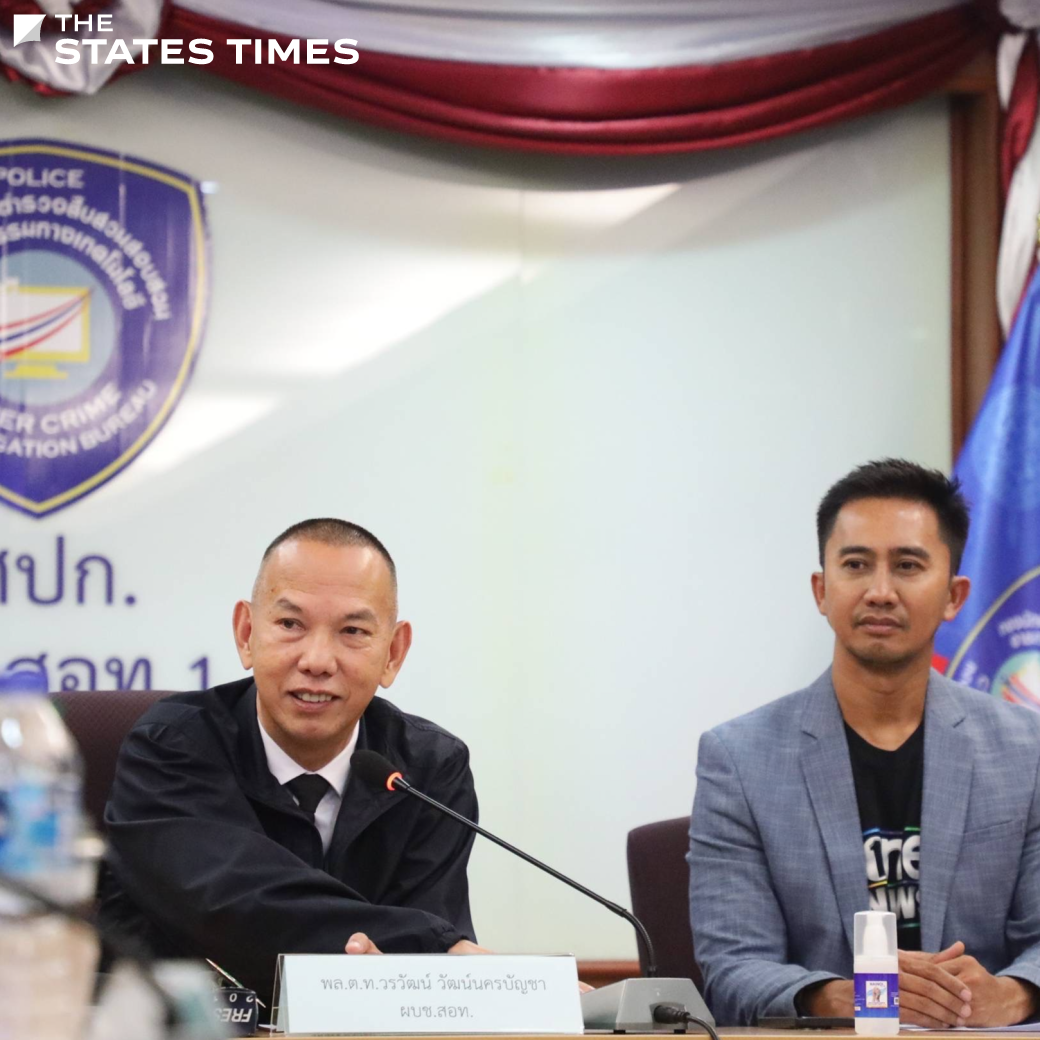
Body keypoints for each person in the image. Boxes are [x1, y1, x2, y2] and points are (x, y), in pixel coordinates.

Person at [688, 459, 1040, 1027]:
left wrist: (1011, 995)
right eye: (856, 565)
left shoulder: (1027, 751)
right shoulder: (740, 760)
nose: (880, 592)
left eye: (907, 566)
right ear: (822, 590)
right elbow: (734, 967)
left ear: (954, 596)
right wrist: (853, 995)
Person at [98, 519, 484, 1003]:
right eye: (290, 625)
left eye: (353, 631)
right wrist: (427, 949)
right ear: (246, 633)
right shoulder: (170, 748)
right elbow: (235, 906)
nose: (317, 660)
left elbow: (425, 980)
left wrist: (425, 959)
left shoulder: (427, 771)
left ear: (393, 652)